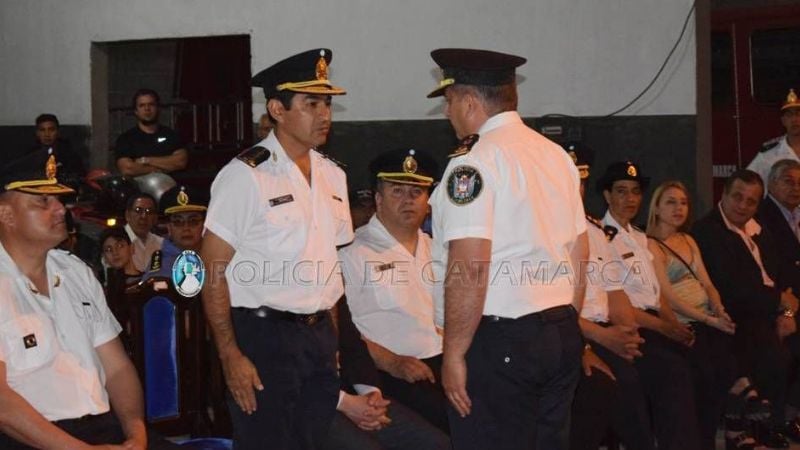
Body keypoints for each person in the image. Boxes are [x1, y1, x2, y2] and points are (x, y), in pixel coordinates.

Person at [426, 48, 588, 450]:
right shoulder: (556, 156)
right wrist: (567, 321)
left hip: (502, 340)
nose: (447, 114)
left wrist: (454, 354)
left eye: (448, 103)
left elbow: (470, 264)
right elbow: (580, 251)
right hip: (560, 330)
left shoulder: (473, 164)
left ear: (468, 102)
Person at [201, 48, 352, 449]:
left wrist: (330, 343)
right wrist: (230, 354)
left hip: (318, 337)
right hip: (264, 336)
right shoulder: (245, 176)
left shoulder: (333, 175)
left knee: (313, 441)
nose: (324, 115)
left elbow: (327, 267)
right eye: (311, 103)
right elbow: (211, 269)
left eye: (328, 104)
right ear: (277, 109)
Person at [0, 149, 176, 449]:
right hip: (34, 437)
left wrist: (135, 433)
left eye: (59, 200)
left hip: (104, 427)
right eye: (43, 201)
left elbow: (117, 368)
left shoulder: (76, 272)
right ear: (6, 215)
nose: (60, 210)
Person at [339, 148, 448, 433]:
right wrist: (392, 362)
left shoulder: (439, 251)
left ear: (429, 202)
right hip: (387, 375)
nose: (408, 200)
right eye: (397, 191)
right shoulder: (353, 252)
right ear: (378, 199)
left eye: (417, 192)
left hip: (442, 368)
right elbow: (341, 330)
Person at [597, 160, 702, 450]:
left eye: (635, 192)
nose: (630, 199)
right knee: (672, 371)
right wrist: (666, 329)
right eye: (621, 191)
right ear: (607, 196)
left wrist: (674, 325)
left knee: (705, 360)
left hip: (657, 322)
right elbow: (617, 303)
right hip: (631, 326)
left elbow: (657, 295)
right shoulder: (602, 238)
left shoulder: (640, 237)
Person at [693, 169, 800, 447]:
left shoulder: (759, 229)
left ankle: (785, 417)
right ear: (724, 194)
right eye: (737, 197)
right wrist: (780, 304)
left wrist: (786, 312)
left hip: (772, 309)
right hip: (736, 315)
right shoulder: (708, 231)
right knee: (772, 350)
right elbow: (733, 288)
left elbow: (784, 275)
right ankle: (764, 425)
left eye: (751, 201)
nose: (742, 206)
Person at [564, 145, 652, 450]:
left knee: (663, 370)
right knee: (615, 385)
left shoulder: (596, 231)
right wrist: (599, 339)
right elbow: (552, 306)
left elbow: (615, 292)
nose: (574, 189)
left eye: (580, 182)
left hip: (605, 331)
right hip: (572, 333)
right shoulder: (543, 233)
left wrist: (626, 333)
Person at [645, 180, 738, 449]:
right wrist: (710, 320)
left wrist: (719, 309)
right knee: (705, 371)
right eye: (671, 202)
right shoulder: (651, 245)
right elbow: (669, 298)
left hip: (708, 318)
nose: (678, 208)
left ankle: (710, 434)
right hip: (685, 322)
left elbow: (707, 283)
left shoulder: (688, 239)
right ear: (657, 208)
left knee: (725, 364)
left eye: (683, 203)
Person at [325, 299, 450, 450]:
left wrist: (371, 393)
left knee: (436, 444)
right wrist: (345, 402)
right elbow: (294, 371)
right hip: (311, 399)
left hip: (351, 388)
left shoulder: (329, 286)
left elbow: (351, 342)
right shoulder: (294, 301)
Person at [114, 89, 188, 177]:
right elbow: (127, 168)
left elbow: (180, 161)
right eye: (142, 105)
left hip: (171, 186)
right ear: (136, 111)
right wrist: (161, 168)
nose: (147, 109)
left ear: (158, 108)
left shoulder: (171, 135)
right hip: (139, 188)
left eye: (151, 104)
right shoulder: (126, 139)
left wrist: (145, 160)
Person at [141, 185, 206, 282]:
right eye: (178, 222)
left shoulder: (217, 255)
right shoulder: (161, 267)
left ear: (204, 224)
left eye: (193, 221)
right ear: (169, 227)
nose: (186, 228)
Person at [756, 159, 800, 292]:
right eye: (788, 181)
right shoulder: (760, 216)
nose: (796, 188)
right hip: (783, 295)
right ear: (771, 184)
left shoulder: (797, 212)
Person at [747, 88, 800, 185]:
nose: (794, 119)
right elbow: (748, 182)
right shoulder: (769, 154)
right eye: (789, 115)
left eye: (798, 114)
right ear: (783, 121)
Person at [30, 114, 85, 192]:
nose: (47, 134)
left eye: (51, 130)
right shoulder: (30, 154)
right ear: (37, 133)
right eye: (42, 130)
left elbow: (79, 177)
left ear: (58, 132)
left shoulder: (69, 153)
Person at [123, 192, 163, 272]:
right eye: (138, 210)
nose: (144, 216)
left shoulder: (161, 244)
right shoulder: (116, 241)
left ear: (155, 218)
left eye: (149, 211)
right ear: (127, 215)